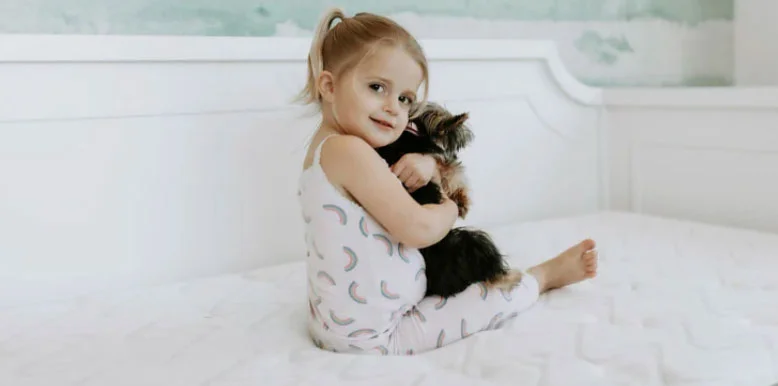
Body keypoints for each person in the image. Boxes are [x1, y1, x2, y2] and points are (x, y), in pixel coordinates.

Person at [296, 7, 598, 356]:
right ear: (329, 86)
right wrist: (449, 206)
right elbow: (419, 228)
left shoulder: (326, 149)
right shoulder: (347, 150)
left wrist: (426, 164)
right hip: (379, 335)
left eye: (405, 98)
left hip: (335, 327)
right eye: (377, 87)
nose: (394, 108)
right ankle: (542, 277)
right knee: (488, 299)